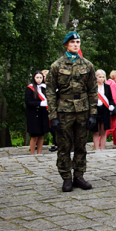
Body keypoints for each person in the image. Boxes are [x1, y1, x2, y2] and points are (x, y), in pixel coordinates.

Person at [46, 31, 97, 192]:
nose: (76, 44)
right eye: (73, 42)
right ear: (66, 45)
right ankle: (66, 177)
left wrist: (93, 113)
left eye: (78, 42)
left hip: (82, 110)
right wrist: (53, 116)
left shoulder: (87, 65)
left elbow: (93, 90)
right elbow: (50, 92)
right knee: (64, 146)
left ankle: (79, 176)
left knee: (81, 145)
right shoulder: (56, 66)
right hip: (64, 110)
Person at [25, 71, 50, 155]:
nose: (39, 80)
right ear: (34, 78)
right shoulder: (30, 88)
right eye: (37, 78)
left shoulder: (44, 88)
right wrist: (39, 103)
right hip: (33, 114)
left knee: (41, 135)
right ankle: (32, 153)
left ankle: (39, 153)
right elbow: (28, 101)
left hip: (43, 113)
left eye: (40, 78)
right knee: (34, 135)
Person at [91, 69, 115, 150]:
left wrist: (111, 105)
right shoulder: (93, 87)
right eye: (99, 77)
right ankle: (97, 149)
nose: (101, 79)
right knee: (96, 131)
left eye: (103, 77)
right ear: (96, 77)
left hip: (105, 110)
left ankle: (102, 148)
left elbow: (110, 99)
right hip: (96, 110)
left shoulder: (107, 87)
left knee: (103, 130)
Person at [107, 70, 116, 146]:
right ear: (115, 77)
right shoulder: (113, 84)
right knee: (112, 126)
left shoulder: (107, 83)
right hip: (113, 107)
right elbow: (114, 97)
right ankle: (99, 141)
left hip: (108, 107)